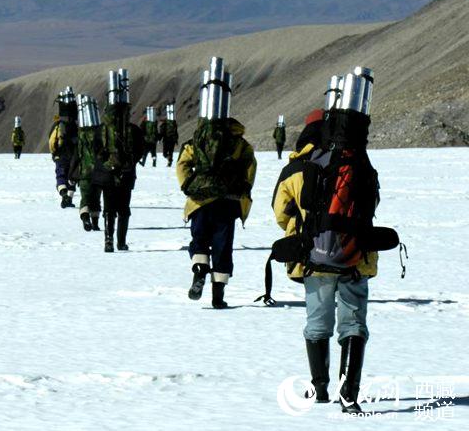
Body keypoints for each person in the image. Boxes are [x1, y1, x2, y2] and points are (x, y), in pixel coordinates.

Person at [271, 68, 395, 414]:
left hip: (314, 258)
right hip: (356, 256)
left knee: (317, 323)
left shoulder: (300, 168)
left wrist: (302, 228)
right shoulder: (359, 163)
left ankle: (320, 388)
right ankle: (349, 394)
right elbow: (372, 203)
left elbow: (280, 210)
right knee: (353, 324)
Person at [178, 57, 256, 309]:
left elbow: (183, 163)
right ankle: (218, 295)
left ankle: (200, 269)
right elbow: (250, 167)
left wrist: (188, 185)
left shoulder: (197, 139)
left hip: (200, 200)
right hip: (227, 202)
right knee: (223, 246)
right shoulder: (239, 144)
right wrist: (243, 188)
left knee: (199, 240)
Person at [94, 69, 144, 252]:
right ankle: (121, 242)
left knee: (109, 208)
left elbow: (96, 150)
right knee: (124, 208)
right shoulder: (135, 130)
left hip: (107, 174)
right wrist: (129, 164)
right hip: (127, 174)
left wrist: (107, 163)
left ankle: (108, 240)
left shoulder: (101, 130)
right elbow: (140, 151)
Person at [70, 95, 103, 232]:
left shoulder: (81, 138)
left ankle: (85, 218)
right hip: (99, 173)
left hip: (84, 173)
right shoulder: (101, 135)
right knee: (96, 198)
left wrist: (71, 174)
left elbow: (76, 157)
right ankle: (95, 222)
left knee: (85, 198)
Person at [49, 87, 79, 208]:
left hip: (60, 155)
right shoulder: (76, 125)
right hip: (74, 155)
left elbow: (52, 141)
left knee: (60, 176)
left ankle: (63, 194)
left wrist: (54, 153)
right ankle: (69, 199)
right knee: (73, 177)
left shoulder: (58, 125)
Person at [159, 103, 179, 167]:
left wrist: (159, 139)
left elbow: (161, 133)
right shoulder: (174, 124)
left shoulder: (164, 125)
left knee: (164, 154)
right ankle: (169, 162)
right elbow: (176, 132)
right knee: (171, 152)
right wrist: (176, 140)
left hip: (166, 140)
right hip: (172, 140)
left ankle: (169, 159)